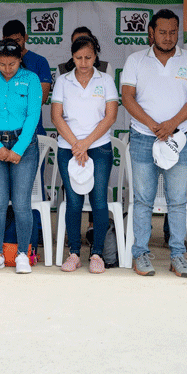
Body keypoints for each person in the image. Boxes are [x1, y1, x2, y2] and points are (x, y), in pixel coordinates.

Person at [121, 8, 187, 278]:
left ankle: (178, 255)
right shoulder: (136, 60)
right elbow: (127, 97)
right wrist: (152, 125)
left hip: (179, 138)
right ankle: (140, 254)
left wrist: (171, 124)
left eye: (173, 32)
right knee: (143, 200)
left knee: (178, 201)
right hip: (143, 137)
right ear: (151, 33)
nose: (168, 37)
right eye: (162, 32)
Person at [51, 35, 118, 274]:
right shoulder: (63, 81)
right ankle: (74, 253)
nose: (83, 63)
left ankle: (97, 253)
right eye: (78, 58)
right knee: (73, 201)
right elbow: (56, 116)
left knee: (99, 200)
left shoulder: (106, 80)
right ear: (72, 57)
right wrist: (76, 145)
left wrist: (86, 144)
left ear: (95, 56)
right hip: (68, 148)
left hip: (98, 147)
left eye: (88, 57)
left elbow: (111, 116)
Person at [0, 39, 42, 274]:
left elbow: (33, 116)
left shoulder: (31, 79)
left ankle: (22, 253)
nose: (7, 69)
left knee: (22, 203)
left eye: (12, 64)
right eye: (2, 64)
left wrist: (18, 149)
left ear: (20, 60)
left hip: (24, 145)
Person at [0, 19, 52, 133]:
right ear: (3, 39)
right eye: (10, 41)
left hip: (32, 131)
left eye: (17, 40)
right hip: (0, 131)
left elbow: (41, 98)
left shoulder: (40, 61)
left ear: (25, 37)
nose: (14, 45)